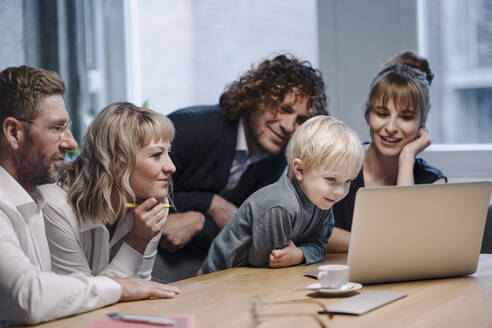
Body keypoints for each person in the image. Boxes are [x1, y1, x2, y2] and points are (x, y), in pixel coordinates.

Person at [0, 65, 178, 326]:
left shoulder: (32, 201)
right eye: (57, 128)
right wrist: (129, 268)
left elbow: (73, 297)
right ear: (14, 132)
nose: (72, 144)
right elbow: (33, 299)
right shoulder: (47, 202)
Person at [156, 54, 328, 281]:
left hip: (216, 260)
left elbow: (252, 230)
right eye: (284, 109)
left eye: (300, 120)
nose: (288, 126)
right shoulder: (189, 128)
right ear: (256, 97)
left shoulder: (280, 158)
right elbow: (139, 197)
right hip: (154, 255)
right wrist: (211, 204)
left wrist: (200, 222)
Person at [201, 116, 364, 273]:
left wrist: (300, 254)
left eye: (348, 181)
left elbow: (320, 245)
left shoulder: (322, 201)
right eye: (331, 179)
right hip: (219, 274)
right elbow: (268, 260)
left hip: (251, 275)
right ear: (300, 170)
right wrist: (297, 255)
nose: (340, 191)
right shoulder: (282, 206)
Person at [39, 102, 178, 280]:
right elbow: (83, 298)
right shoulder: (56, 207)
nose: (171, 167)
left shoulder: (153, 203)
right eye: (157, 155)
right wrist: (137, 241)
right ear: (118, 162)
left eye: (168, 153)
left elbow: (141, 286)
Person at [326, 51, 447, 253]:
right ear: (368, 115)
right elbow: (316, 232)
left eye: (406, 117)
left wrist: (407, 159)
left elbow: (408, 244)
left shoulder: (432, 181)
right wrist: (381, 243)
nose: (391, 127)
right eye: (382, 114)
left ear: (421, 124)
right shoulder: (337, 163)